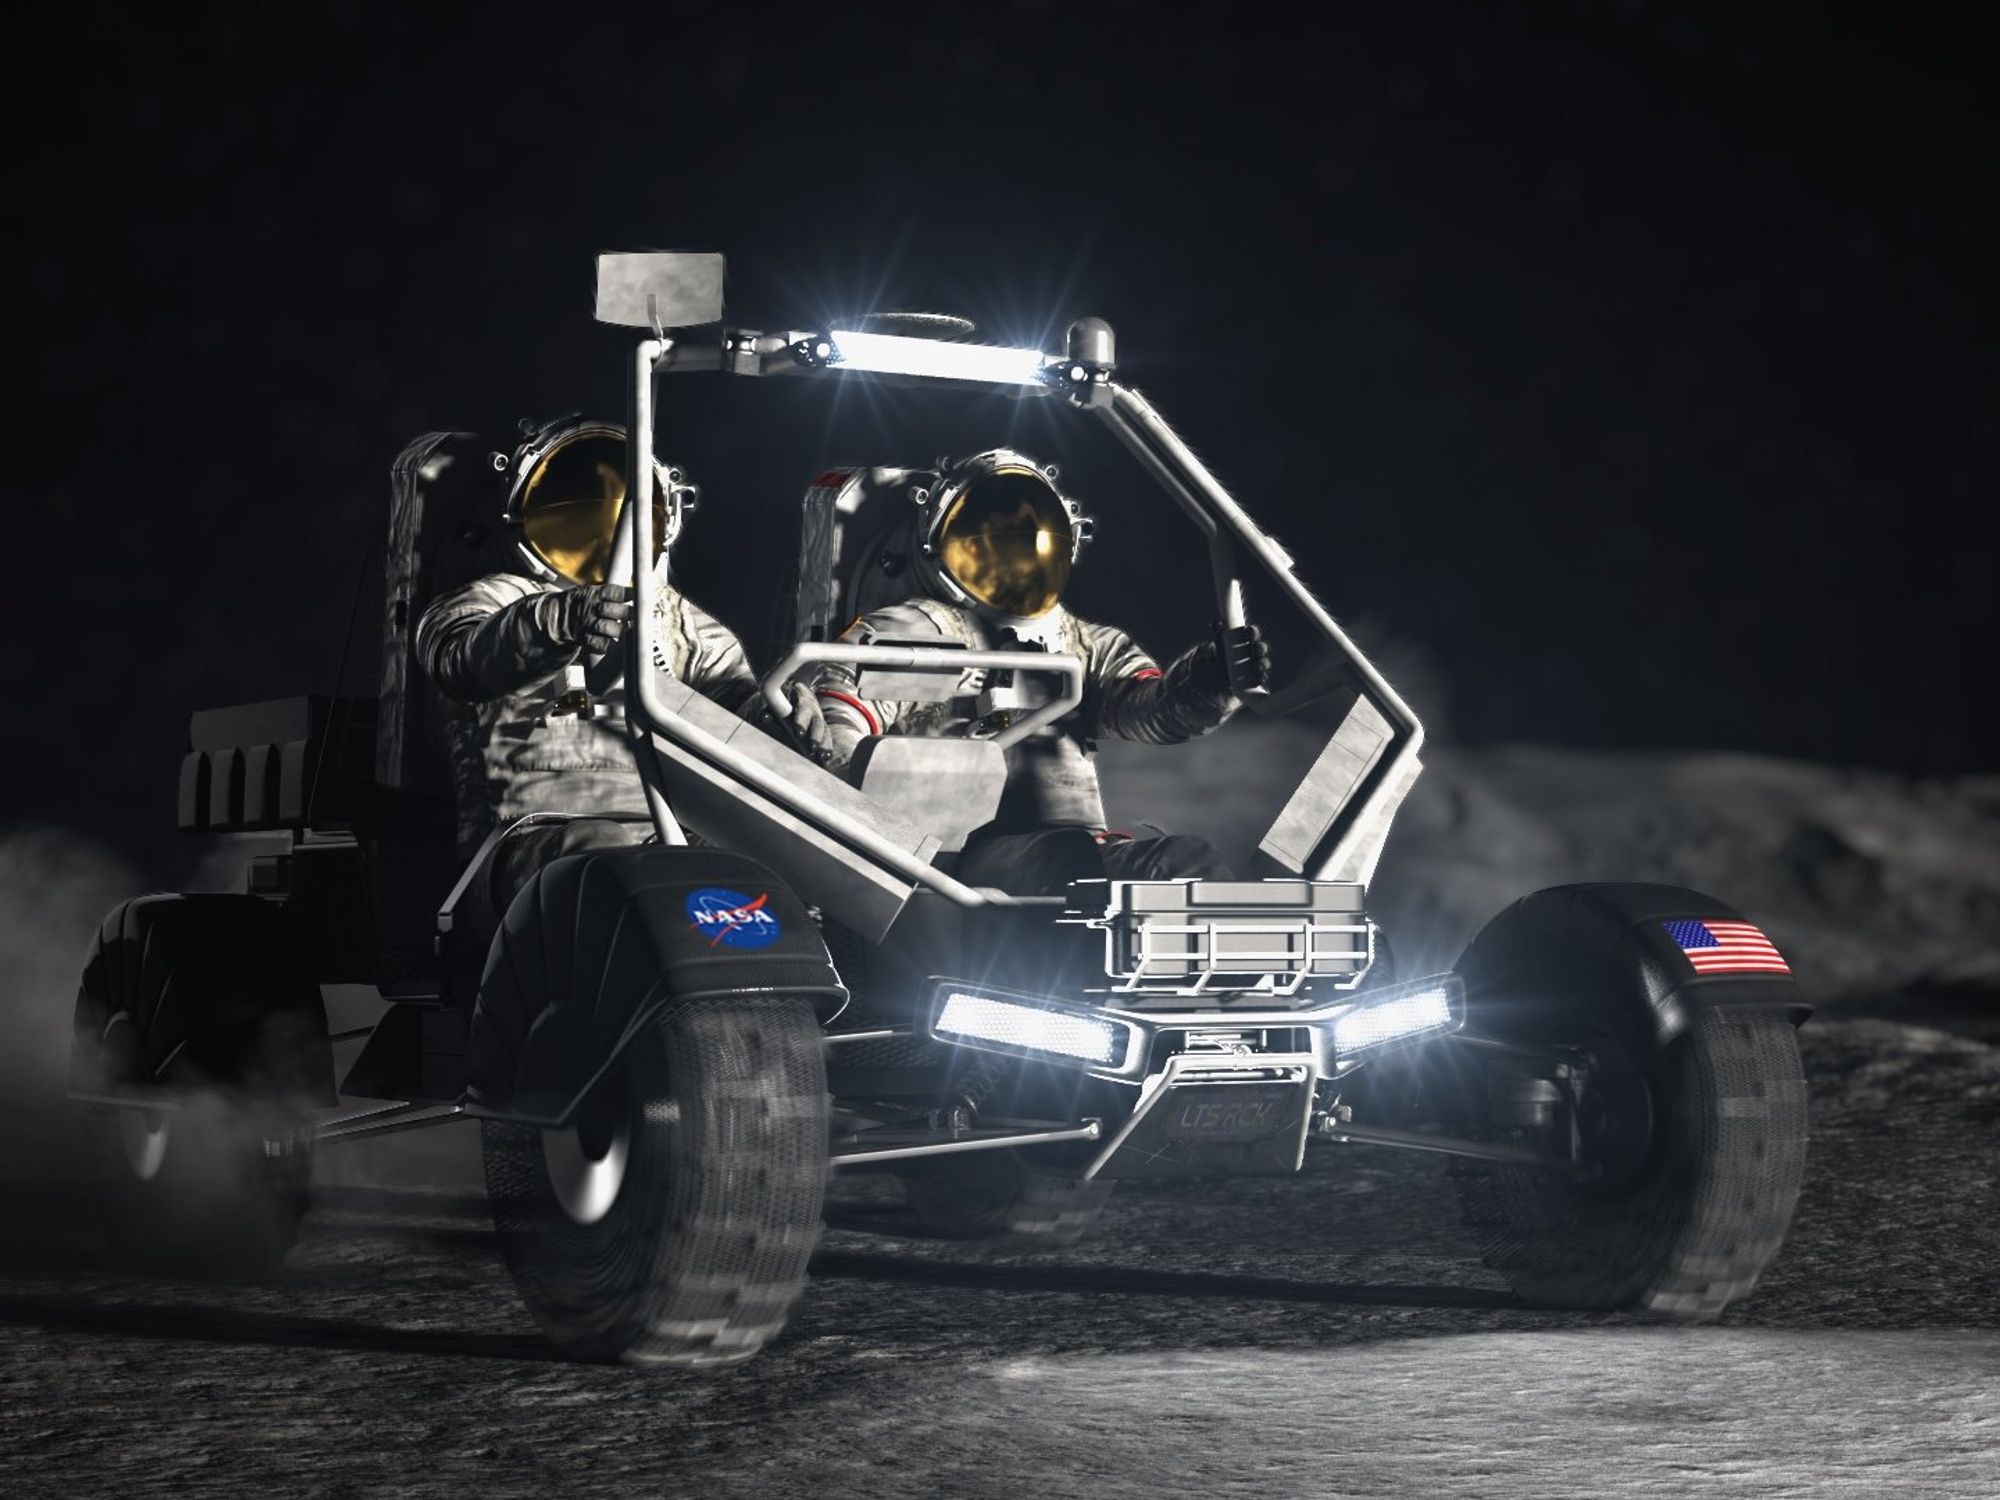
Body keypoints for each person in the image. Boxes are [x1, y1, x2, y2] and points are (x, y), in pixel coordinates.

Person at [808, 449, 1269, 895]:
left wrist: (1210, 681)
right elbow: (838, 734)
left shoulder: (1083, 644)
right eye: (997, 545)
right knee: (1073, 866)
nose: (1018, 563)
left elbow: (1154, 711)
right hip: (947, 860)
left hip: (1066, 851)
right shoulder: (918, 631)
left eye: (1032, 544)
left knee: (1183, 865)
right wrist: (869, 839)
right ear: (937, 548)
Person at [415, 416, 815, 916]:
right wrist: (559, 621)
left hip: (663, 835)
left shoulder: (680, 624)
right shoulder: (487, 601)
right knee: (595, 855)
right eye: (576, 501)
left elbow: (734, 700)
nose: (599, 522)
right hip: (524, 843)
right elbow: (461, 659)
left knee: (753, 866)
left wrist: (778, 717)